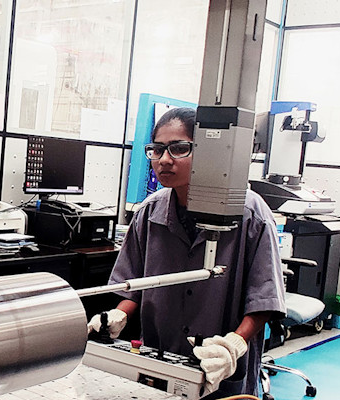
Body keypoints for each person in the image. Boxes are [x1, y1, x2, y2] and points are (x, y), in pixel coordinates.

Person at [88, 107, 286, 398]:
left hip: (220, 368)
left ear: (207, 152)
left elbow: (264, 301)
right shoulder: (148, 213)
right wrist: (117, 317)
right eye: (157, 149)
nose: (164, 160)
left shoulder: (251, 215)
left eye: (179, 149)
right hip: (159, 360)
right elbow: (132, 287)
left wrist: (234, 345)